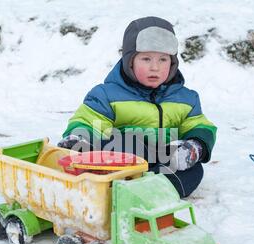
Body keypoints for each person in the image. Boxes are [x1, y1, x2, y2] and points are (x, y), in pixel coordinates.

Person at [58, 16, 217, 198]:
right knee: (130, 142)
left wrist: (195, 146)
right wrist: (78, 138)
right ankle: (116, 187)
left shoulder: (187, 99)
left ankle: (148, 192)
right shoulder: (107, 95)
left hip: (161, 163)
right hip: (119, 163)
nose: (155, 67)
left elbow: (199, 126)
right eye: (146, 59)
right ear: (130, 61)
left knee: (193, 172)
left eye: (163, 60)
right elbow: (88, 121)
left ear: (173, 63)